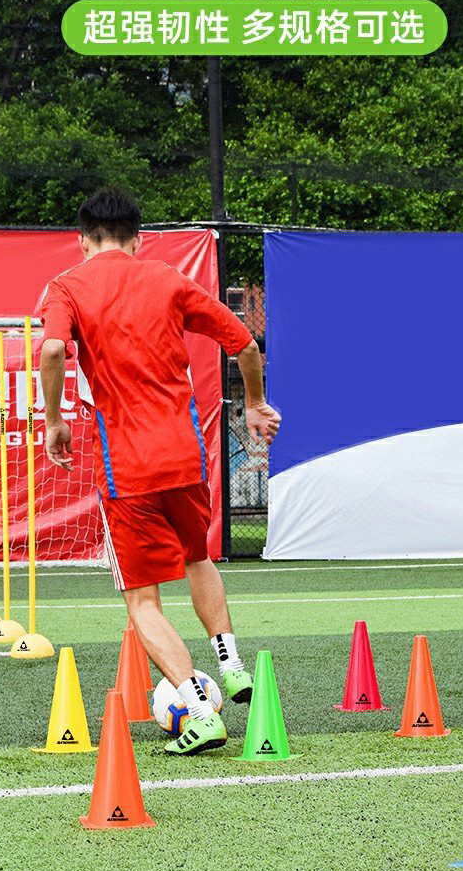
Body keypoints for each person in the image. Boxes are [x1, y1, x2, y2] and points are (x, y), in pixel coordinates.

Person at [38, 188, 281, 755]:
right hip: (186, 457)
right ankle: (230, 662)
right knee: (198, 557)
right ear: (137, 238)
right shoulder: (167, 278)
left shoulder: (67, 286)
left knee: (142, 602)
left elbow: (52, 351)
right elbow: (245, 342)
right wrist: (252, 404)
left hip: (128, 469)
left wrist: (53, 421)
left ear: (82, 239)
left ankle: (198, 711)